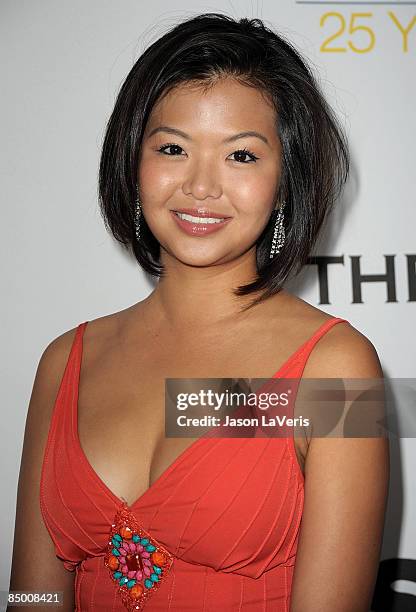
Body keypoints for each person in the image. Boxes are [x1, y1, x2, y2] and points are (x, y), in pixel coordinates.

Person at [8, 12, 389, 612]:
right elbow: (32, 595)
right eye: (172, 148)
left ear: (284, 180)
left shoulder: (339, 368)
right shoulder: (66, 360)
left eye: (241, 156)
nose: (201, 186)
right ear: (132, 162)